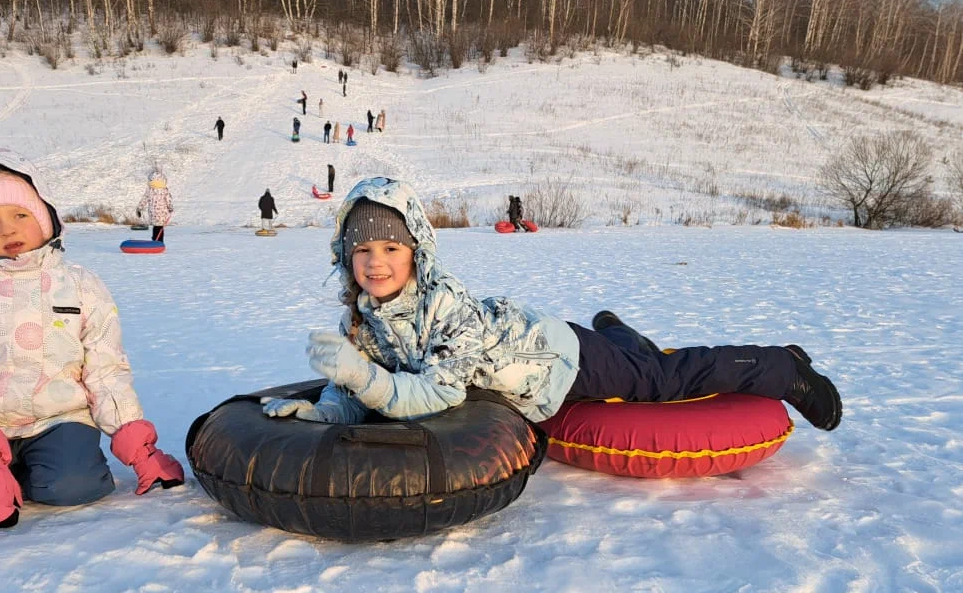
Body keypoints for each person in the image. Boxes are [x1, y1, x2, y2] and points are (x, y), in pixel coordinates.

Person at [260, 177, 843, 434]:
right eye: (360, 249)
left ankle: (784, 366)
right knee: (634, 359)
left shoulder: (446, 307)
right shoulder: (359, 317)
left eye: (390, 246)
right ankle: (617, 332)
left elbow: (436, 394)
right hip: (536, 346)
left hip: (556, 361)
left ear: (417, 251)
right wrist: (328, 409)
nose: (375, 262)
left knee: (663, 379)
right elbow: (356, 387)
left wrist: (360, 376)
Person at [0, 148, 184, 529]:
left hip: (61, 419)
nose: (7, 229)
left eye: (20, 215)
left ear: (44, 219)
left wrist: (138, 447)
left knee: (74, 486)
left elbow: (105, 369)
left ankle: (22, 473)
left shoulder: (81, 285)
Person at [138, 167, 174, 243]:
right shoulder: (164, 190)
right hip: (162, 213)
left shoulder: (150, 190)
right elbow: (168, 200)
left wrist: (139, 208)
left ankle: (155, 240)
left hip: (153, 213)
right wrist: (170, 208)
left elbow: (144, 199)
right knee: (160, 227)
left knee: (155, 227)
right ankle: (159, 241)